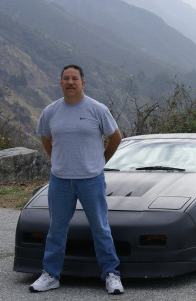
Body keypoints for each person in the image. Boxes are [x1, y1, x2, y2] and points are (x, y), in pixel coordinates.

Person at [29, 64, 124, 294]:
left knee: (100, 228)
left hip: (91, 179)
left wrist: (100, 162)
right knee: (57, 229)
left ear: (83, 83)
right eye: (65, 78)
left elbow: (116, 138)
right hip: (60, 180)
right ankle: (51, 274)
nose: (70, 82)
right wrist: (57, 160)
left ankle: (111, 275)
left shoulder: (97, 109)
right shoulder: (50, 111)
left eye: (74, 78)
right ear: (60, 83)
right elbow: (46, 138)